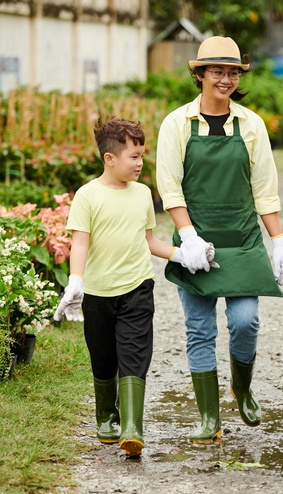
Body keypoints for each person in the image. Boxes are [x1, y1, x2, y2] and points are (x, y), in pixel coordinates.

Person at [156, 36, 283, 444]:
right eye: (217, 71)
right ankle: (208, 418)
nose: (226, 79)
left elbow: (264, 189)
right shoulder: (177, 123)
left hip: (243, 239)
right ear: (199, 74)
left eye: (232, 72)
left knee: (245, 321)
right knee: (199, 328)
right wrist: (189, 237)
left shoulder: (251, 125)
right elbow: (170, 186)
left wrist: (279, 240)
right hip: (196, 241)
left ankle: (242, 387)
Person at [54, 117, 212, 457]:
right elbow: (79, 243)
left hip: (137, 287)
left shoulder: (142, 194)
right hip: (97, 291)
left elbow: (148, 241)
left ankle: (132, 427)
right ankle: (107, 417)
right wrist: (76, 281)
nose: (141, 163)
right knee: (103, 357)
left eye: (142, 155)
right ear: (110, 158)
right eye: (134, 156)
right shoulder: (88, 195)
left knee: (134, 353)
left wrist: (181, 255)